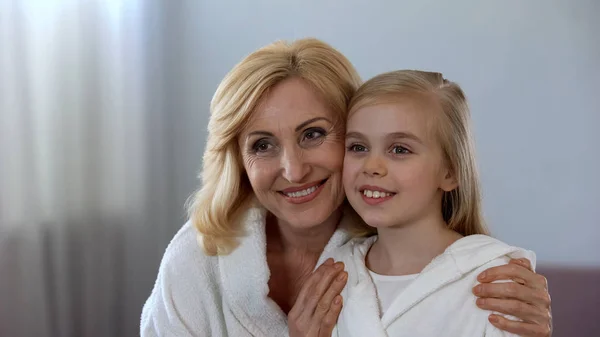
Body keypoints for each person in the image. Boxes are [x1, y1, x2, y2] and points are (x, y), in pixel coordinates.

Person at [140, 38, 552, 337]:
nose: (294, 169)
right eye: (262, 145)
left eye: (313, 134)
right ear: (237, 161)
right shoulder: (197, 263)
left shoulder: (425, 255)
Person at [322, 69, 551, 336]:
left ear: (450, 172)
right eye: (358, 147)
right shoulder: (335, 272)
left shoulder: (494, 279)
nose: (372, 166)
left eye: (399, 150)